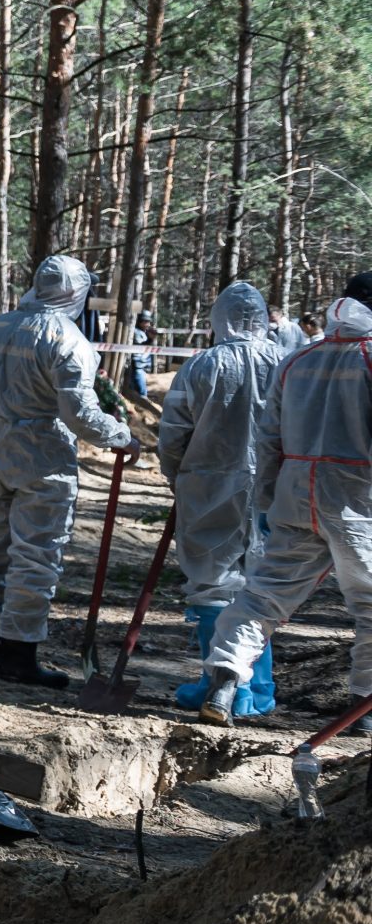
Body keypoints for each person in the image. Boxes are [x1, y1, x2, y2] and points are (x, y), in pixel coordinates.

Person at [196, 278, 372, 729]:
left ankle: (223, 683)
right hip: (358, 498)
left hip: (296, 493)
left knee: (262, 597)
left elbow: (268, 437)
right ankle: (365, 712)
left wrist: (269, 499)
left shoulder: (299, 360)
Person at [0, 253, 139, 688]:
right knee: (35, 554)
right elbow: (79, 414)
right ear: (77, 293)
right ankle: (19, 655)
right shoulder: (70, 340)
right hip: (42, 458)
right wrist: (121, 436)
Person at [157, 282, 283, 718]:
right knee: (264, 588)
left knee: (212, 585)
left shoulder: (199, 367)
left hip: (208, 486)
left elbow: (173, 433)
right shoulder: (287, 363)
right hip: (274, 489)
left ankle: (217, 683)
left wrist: (178, 476)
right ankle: (254, 690)